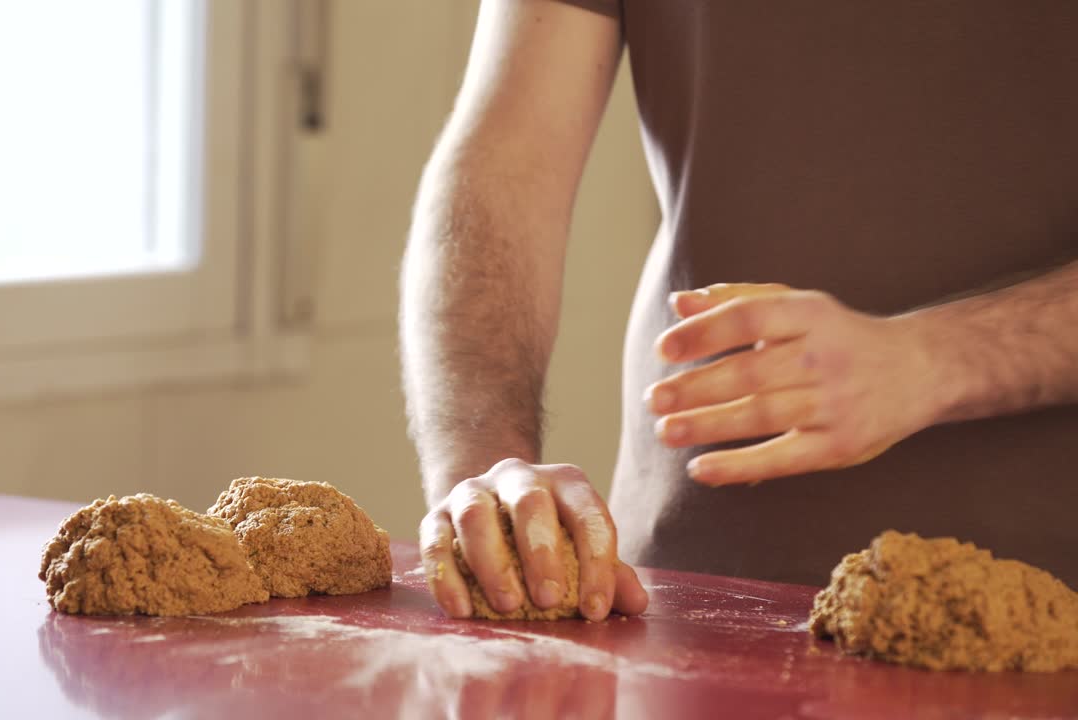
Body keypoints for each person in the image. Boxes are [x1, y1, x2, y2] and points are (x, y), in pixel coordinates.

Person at [399, 0, 1078, 622]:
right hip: (678, 595)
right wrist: (488, 478)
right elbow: (508, 153)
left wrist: (934, 359)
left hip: (1045, 605)